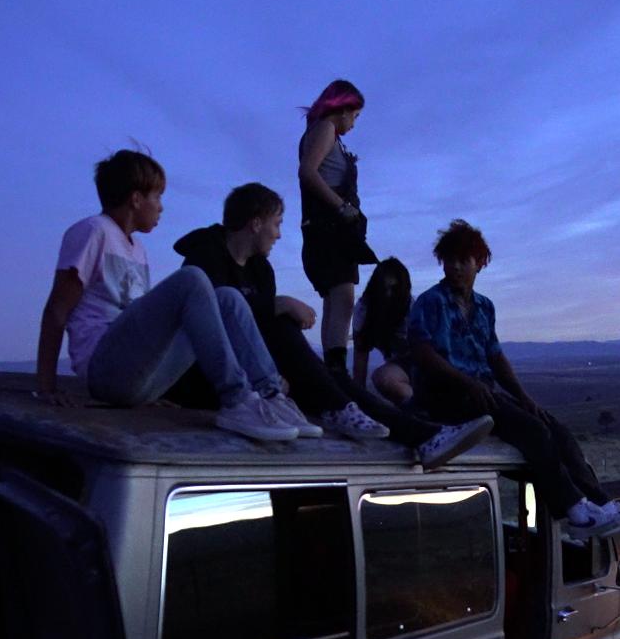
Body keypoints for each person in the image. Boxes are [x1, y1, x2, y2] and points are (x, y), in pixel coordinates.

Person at [170, 183, 495, 468]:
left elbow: (257, 335)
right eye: (277, 223)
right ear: (256, 223)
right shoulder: (205, 258)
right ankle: (341, 408)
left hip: (258, 381)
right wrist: (277, 305)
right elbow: (211, 324)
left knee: (332, 376)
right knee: (283, 323)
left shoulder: (260, 270)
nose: (279, 233)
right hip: (213, 381)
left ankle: (424, 437)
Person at [404, 220, 620, 540]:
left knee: (557, 430)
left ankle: (603, 505)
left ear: (480, 263)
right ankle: (576, 512)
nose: (455, 267)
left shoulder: (484, 307)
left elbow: (496, 357)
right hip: (445, 395)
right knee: (533, 431)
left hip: (481, 391)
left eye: (463, 259)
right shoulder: (430, 302)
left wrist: (524, 397)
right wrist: (467, 383)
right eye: (449, 260)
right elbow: (422, 353)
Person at [34, 148, 311, 442]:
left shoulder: (136, 249)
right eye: (157, 197)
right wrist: (46, 386)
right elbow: (56, 311)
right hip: (105, 369)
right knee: (192, 279)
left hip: (136, 380)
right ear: (136, 199)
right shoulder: (93, 231)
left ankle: (270, 396)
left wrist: (149, 389)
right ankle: (237, 400)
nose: (161, 207)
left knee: (228, 297)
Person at [297, 79, 376, 379]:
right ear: (341, 108)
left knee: (335, 297)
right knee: (342, 296)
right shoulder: (325, 128)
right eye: (354, 116)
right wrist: (342, 208)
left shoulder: (323, 131)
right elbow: (307, 172)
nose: (354, 124)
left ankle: (333, 370)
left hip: (326, 229)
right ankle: (337, 373)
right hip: (329, 228)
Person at [354, 258, 415, 406]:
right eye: (384, 289)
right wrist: (360, 399)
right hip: (400, 368)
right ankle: (417, 409)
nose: (388, 294)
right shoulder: (364, 309)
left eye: (394, 289)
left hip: (425, 365)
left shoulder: (414, 308)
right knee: (383, 378)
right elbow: (360, 355)